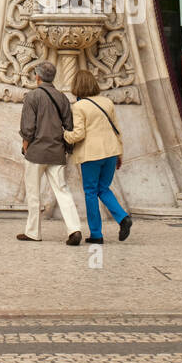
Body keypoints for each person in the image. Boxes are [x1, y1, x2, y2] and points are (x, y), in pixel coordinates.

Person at [64, 68, 132, 244]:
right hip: (111, 152)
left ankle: (96, 234)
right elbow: (117, 130)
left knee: (91, 192)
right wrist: (120, 153)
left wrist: (64, 134)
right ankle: (123, 218)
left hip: (91, 155)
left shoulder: (78, 106)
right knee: (103, 188)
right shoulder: (107, 102)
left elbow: (78, 134)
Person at [18, 60, 82, 245]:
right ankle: (74, 229)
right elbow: (69, 126)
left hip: (36, 152)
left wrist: (25, 145)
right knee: (63, 191)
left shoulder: (33, 96)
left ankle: (33, 233)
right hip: (56, 152)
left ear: (37, 76)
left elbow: (28, 127)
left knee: (33, 193)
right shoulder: (62, 97)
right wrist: (66, 149)